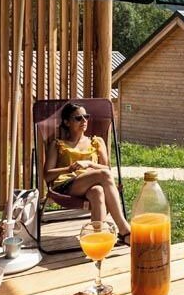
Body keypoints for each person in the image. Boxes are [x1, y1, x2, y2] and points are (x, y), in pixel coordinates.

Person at [43, 102, 131, 243]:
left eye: (86, 117)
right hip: (66, 186)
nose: (84, 121)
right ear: (67, 122)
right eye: (78, 118)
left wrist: (89, 163)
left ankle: (97, 238)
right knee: (104, 177)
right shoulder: (58, 144)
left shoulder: (97, 142)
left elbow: (106, 168)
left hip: (90, 184)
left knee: (97, 191)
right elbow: (47, 175)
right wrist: (69, 168)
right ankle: (124, 229)